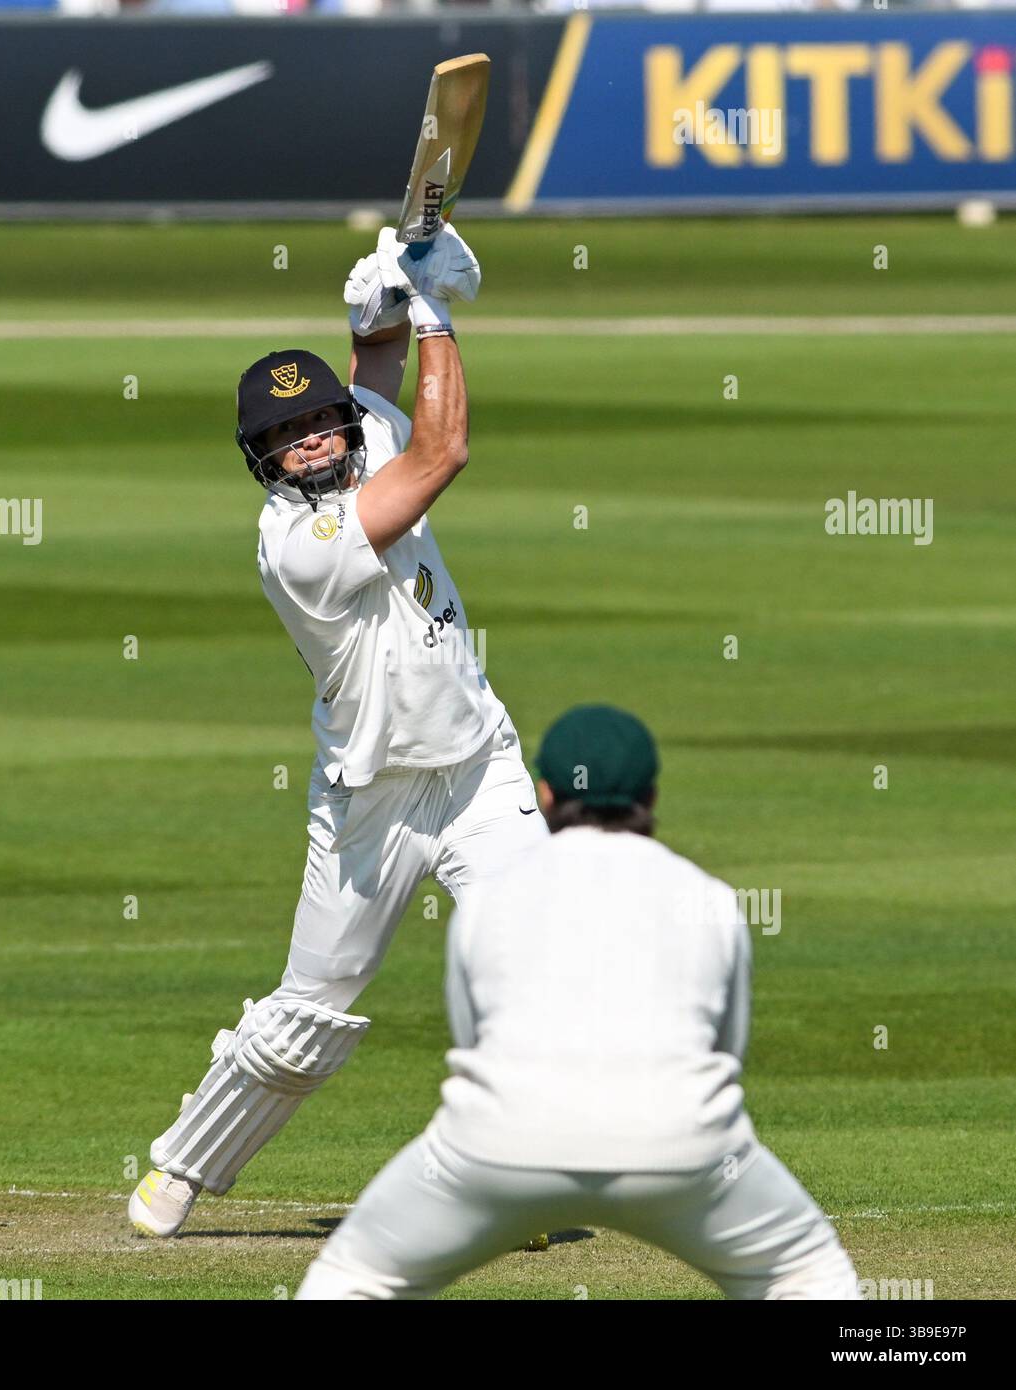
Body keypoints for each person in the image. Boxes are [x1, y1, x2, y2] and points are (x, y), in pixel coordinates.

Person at [129, 225, 547, 1236]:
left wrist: (379, 306)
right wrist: (435, 307)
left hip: (479, 765)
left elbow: (370, 372)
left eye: (318, 421)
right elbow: (444, 449)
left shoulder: (365, 423)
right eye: (286, 436)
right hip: (374, 801)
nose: (310, 440)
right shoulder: (296, 546)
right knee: (307, 1023)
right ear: (260, 459)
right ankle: (181, 1167)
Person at [296, 705, 861, 1299]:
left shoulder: (489, 901)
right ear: (652, 794)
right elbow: (728, 1050)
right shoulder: (711, 898)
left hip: (497, 1144)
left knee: (353, 1278)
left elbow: (474, 1040)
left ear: (545, 794)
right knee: (810, 1277)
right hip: (682, 1143)